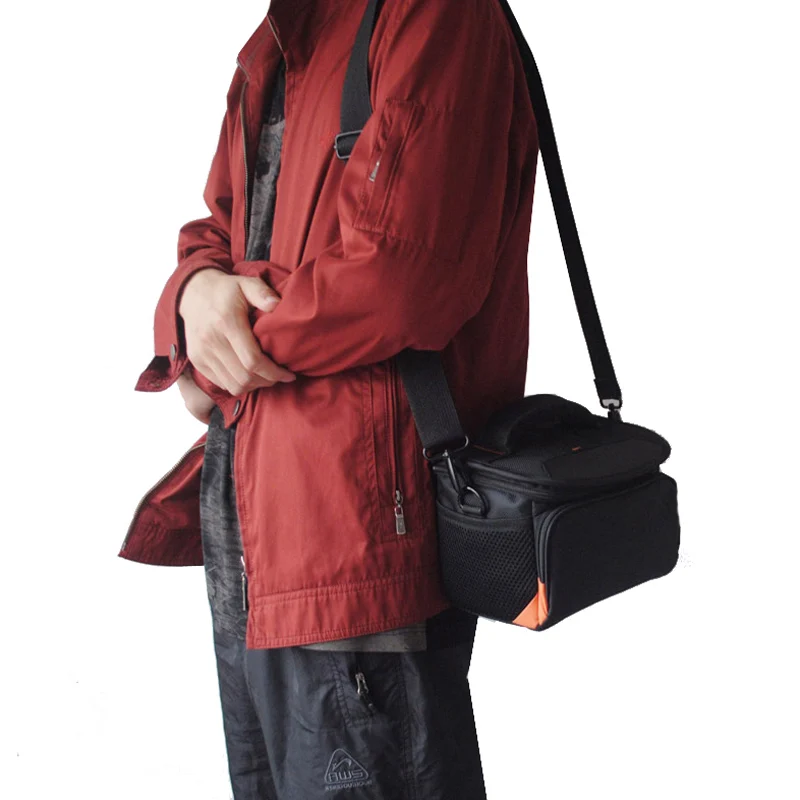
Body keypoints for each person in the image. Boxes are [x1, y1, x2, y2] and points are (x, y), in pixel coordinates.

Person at [120, 0, 538, 796]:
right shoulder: (283, 37)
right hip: (254, 522)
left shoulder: (433, 14)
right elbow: (217, 232)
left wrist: (215, 356)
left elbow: (399, 275)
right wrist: (192, 294)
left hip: (359, 534)